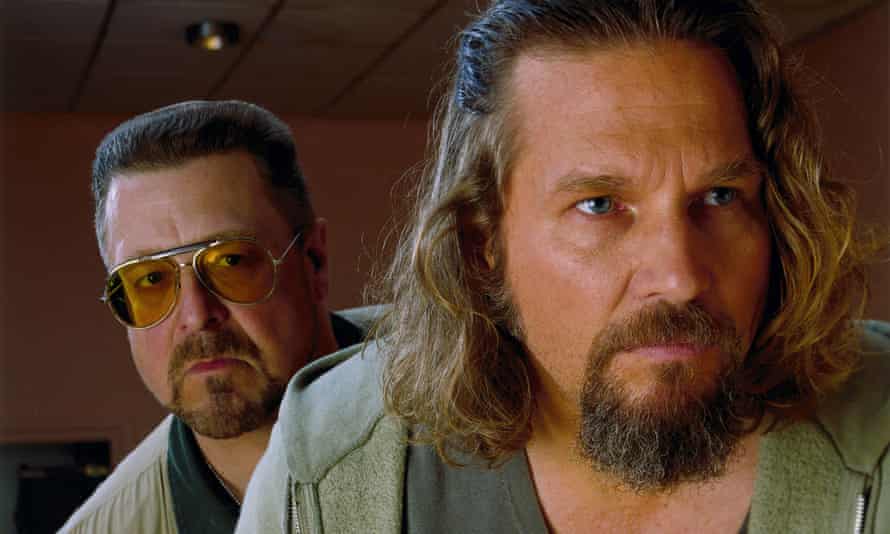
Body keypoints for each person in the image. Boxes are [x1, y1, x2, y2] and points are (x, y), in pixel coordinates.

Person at [236, 1, 890, 533]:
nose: (680, 275)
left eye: (720, 197)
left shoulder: (879, 432)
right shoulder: (331, 459)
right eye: (599, 205)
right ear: (482, 244)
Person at [61, 100, 379, 533]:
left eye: (231, 261)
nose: (196, 315)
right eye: (150, 279)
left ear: (314, 261)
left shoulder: (464, 389)